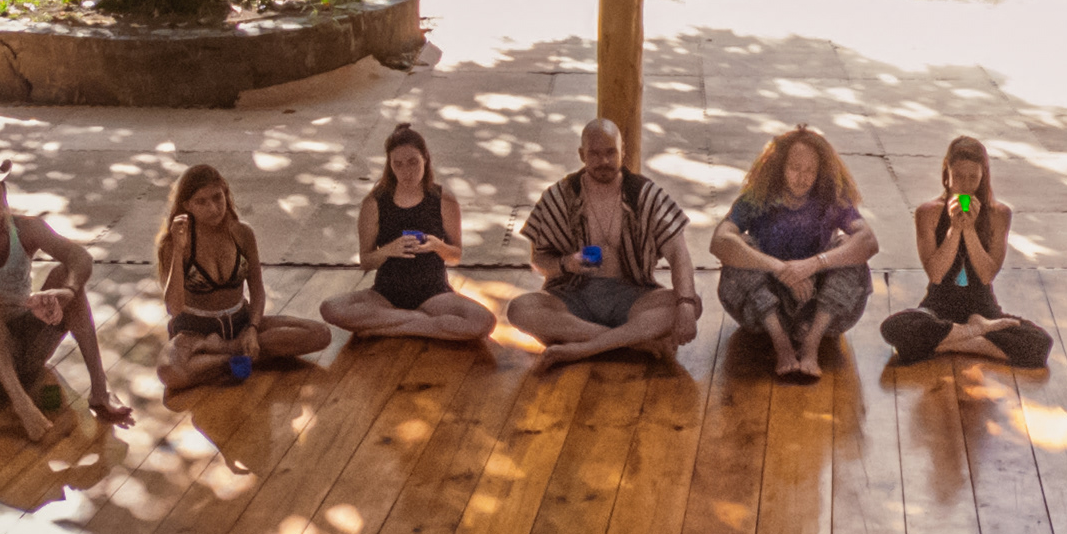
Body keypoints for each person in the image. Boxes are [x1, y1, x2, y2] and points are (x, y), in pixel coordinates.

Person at [0, 154, 138, 441]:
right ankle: (22, 405)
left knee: (65, 275)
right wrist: (19, 300)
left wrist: (66, 292)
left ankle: (100, 390)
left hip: (27, 348)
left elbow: (78, 255)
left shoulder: (25, 228)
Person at [507, 117, 704, 369]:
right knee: (519, 309)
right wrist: (567, 263)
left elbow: (678, 253)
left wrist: (685, 304)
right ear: (581, 154)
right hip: (572, 296)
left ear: (624, 151)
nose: (604, 161)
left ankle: (583, 347)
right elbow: (539, 260)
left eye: (611, 153)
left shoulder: (644, 194)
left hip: (633, 295)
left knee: (692, 303)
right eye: (595, 154)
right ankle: (632, 341)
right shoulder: (560, 195)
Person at [709, 124, 879, 381]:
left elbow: (868, 241)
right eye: (795, 169)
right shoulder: (758, 198)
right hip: (764, 308)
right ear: (780, 167)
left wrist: (812, 265)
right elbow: (720, 241)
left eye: (810, 170)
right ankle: (782, 345)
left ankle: (812, 344)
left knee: (851, 250)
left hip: (818, 305)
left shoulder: (830, 199)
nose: (802, 177)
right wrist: (779, 268)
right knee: (739, 249)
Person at [156, 162, 334, 393]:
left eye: (217, 197)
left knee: (320, 334)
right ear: (187, 205)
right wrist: (179, 251)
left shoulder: (242, 234)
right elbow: (174, 308)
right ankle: (243, 355)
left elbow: (258, 291)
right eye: (202, 202)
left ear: (225, 193)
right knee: (170, 373)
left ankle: (223, 355)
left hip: (240, 323)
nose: (213, 207)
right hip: (195, 333)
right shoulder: (173, 244)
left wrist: (252, 328)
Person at [879, 134, 1055, 366]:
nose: (966, 184)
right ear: (947, 174)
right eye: (958, 177)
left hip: (983, 310)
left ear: (983, 177)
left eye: (973, 177)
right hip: (938, 308)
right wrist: (954, 228)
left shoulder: (998, 214)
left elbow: (985, 275)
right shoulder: (928, 212)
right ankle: (975, 339)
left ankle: (944, 344)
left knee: (1039, 343)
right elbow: (936, 274)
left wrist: (970, 230)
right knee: (895, 328)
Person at [319, 124, 496, 345]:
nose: (406, 171)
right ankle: (421, 324)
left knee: (483, 321)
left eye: (413, 162)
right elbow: (366, 261)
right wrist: (388, 250)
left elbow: (455, 255)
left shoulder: (444, 199)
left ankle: (388, 328)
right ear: (390, 165)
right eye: (398, 164)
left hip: (434, 294)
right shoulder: (374, 202)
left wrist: (436, 246)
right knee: (331, 308)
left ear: (425, 159)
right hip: (385, 295)